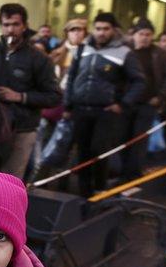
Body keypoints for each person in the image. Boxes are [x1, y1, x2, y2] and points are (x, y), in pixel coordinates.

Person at [63, 13, 146, 197]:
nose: (101, 33)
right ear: (93, 29)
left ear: (114, 30)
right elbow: (71, 77)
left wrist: (123, 104)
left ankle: (100, 189)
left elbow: (139, 82)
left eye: (106, 29)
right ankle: (84, 193)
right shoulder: (83, 48)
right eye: (98, 28)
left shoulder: (124, 53)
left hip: (105, 112)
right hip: (81, 109)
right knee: (82, 152)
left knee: (99, 151)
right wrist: (68, 104)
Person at [0, 3, 61, 178]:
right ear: (0, 26)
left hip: (22, 130)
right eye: (6, 24)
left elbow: (54, 96)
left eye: (15, 24)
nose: (10, 29)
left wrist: (20, 97)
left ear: (24, 26)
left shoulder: (39, 59)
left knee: (9, 184)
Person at [123, 18, 166, 179]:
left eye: (148, 34)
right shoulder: (125, 51)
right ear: (134, 35)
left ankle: (132, 174)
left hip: (148, 103)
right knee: (122, 138)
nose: (145, 37)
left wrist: (160, 97)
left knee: (140, 140)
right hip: (126, 102)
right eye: (141, 34)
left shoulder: (159, 54)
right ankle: (121, 170)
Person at [48, 18, 88, 84]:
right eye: (72, 30)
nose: (76, 33)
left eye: (79, 30)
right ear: (67, 33)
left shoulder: (90, 53)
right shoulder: (56, 52)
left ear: (85, 33)